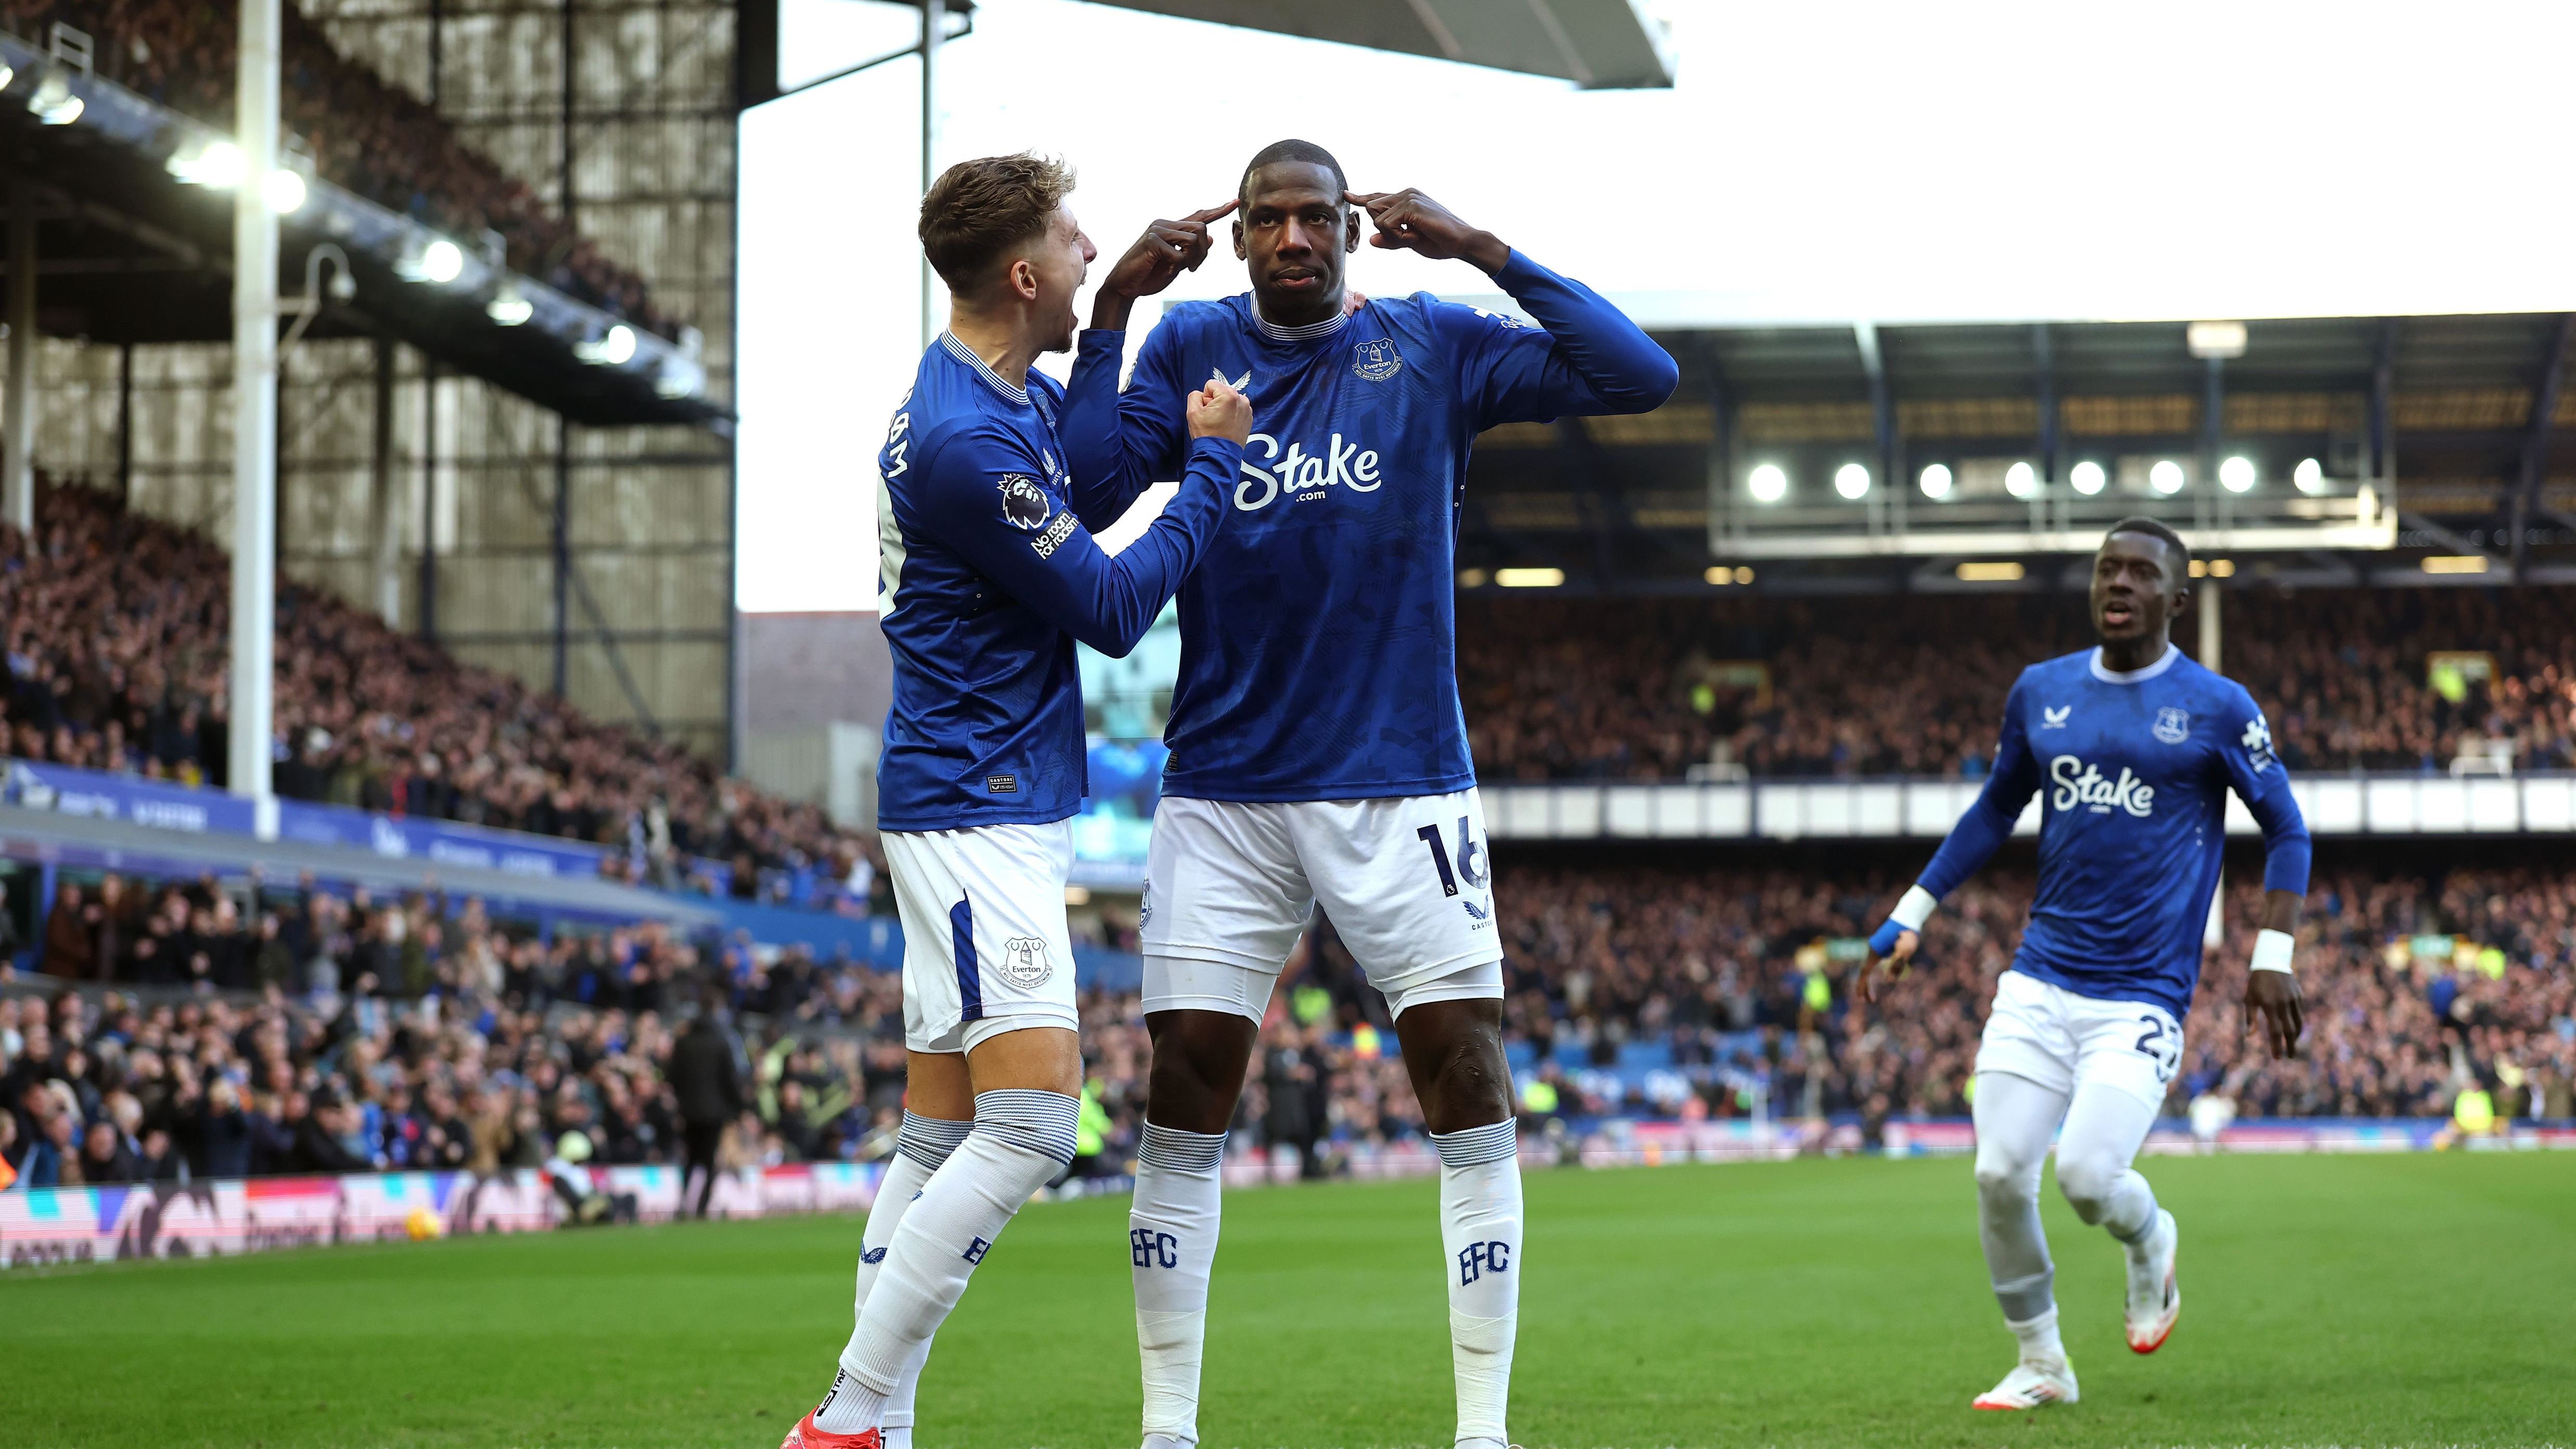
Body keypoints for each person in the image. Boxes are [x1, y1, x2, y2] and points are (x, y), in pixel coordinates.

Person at [1061, 139, 1677, 1449]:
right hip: (1224, 784)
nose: (1294, 237)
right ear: (1238, 235)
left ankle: (1481, 1429)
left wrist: (1478, 246)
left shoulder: (1432, 343)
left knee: (1463, 1073)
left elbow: (1639, 375)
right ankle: (1167, 1429)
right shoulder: (1187, 348)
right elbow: (1090, 485)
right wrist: (1111, 309)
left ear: (1354, 228)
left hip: (1400, 782)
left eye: (1318, 216)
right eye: (1270, 217)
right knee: (1184, 1086)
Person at [779, 151, 1249, 1449]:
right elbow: (1104, 605)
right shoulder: (965, 438)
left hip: (969, 795)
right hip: (976, 803)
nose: (1095, 243)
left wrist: (1112, 329)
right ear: (1023, 270)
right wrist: (1212, 469)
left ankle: (877, 1426)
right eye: (1075, 240)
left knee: (938, 1141)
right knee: (1039, 1124)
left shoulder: (983, 395)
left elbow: (1084, 489)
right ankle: (848, 1417)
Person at [1858, 516, 2312, 1412]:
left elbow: (2287, 829)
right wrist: (1911, 912)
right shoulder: (2042, 691)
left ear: (2176, 600)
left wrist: (2271, 954)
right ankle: (2041, 1360)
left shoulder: (2220, 706)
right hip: (2038, 978)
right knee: (1997, 1173)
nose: (2118, 583)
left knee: (2087, 1178)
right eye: (2107, 568)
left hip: (2140, 995)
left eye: (2141, 573)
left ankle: (2151, 1243)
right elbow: (1993, 811)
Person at [671, 984, 745, 1218]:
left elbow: (673, 1076)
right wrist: (739, 1108)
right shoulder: (722, 1041)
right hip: (715, 1112)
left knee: (690, 1158)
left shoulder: (683, 1042)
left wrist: (682, 1101)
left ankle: (685, 1203)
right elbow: (731, 1078)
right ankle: (702, 1206)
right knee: (709, 1159)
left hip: (689, 1111)